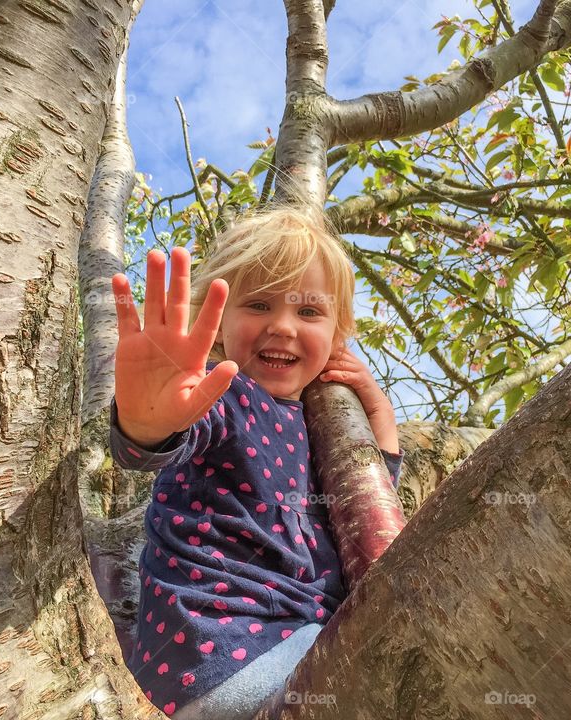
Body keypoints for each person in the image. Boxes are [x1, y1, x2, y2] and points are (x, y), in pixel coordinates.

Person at [108, 205, 404, 718]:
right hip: (225, 649)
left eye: (309, 312)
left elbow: (371, 509)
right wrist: (146, 419)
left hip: (291, 644)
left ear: (338, 336)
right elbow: (160, 440)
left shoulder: (315, 426)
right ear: (218, 325)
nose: (284, 327)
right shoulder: (227, 392)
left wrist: (377, 410)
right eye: (260, 305)